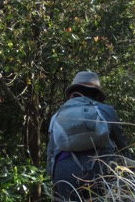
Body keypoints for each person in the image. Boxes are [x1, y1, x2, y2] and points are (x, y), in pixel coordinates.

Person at [46, 71, 128, 201]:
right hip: (99, 170)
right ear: (97, 93)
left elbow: (51, 152)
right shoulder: (106, 110)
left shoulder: (58, 114)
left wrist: (54, 179)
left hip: (64, 173)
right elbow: (123, 146)